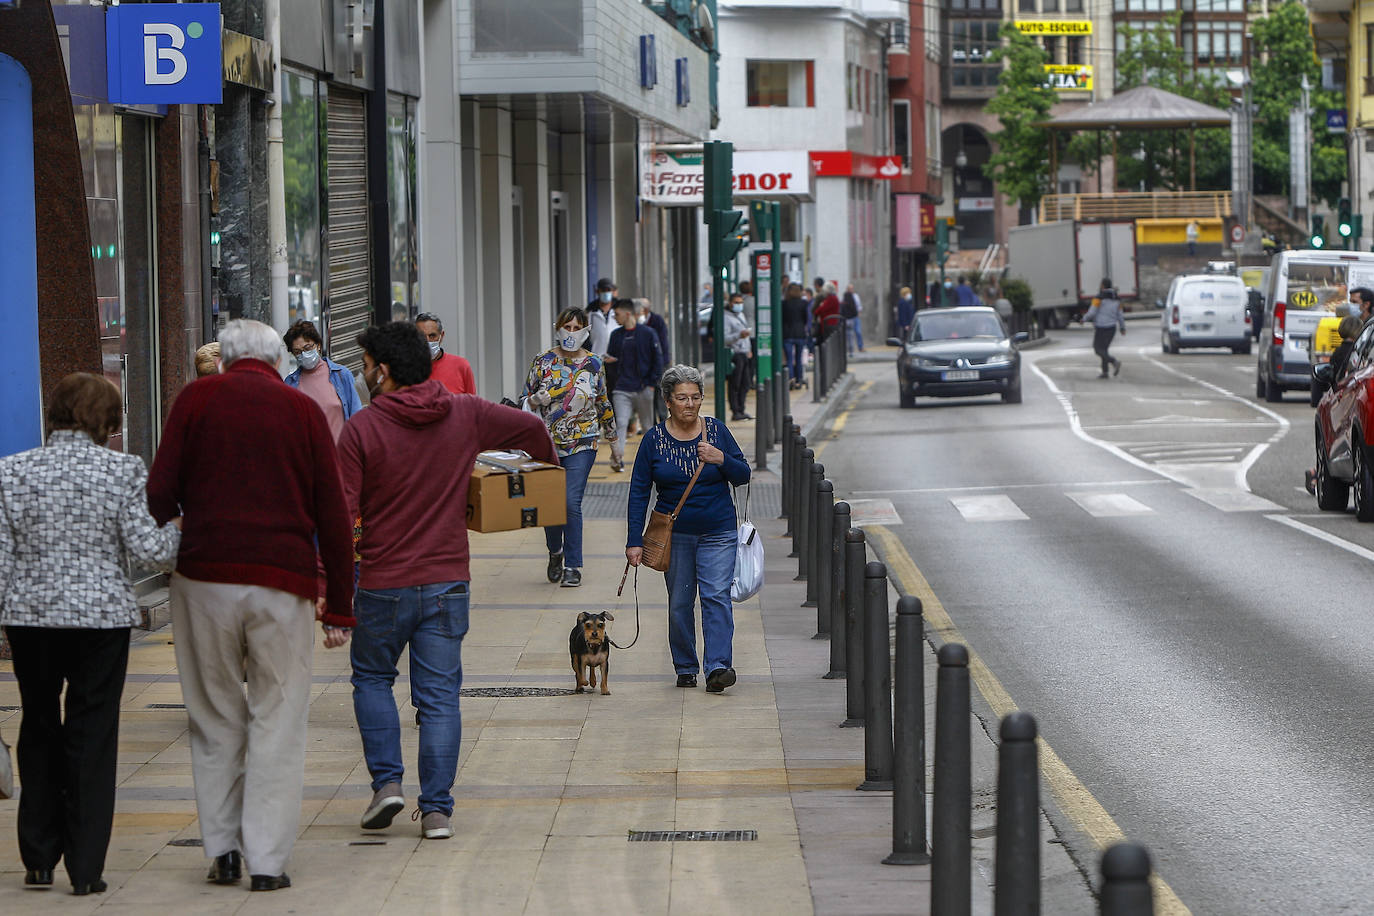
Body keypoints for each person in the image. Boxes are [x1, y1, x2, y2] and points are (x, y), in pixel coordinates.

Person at [147, 319, 357, 893]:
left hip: (203, 576)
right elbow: (334, 515)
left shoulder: (195, 399)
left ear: (228, 356)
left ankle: (223, 852)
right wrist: (339, 604)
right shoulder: (302, 411)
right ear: (275, 358)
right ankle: (266, 861)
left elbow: (159, 494)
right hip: (282, 582)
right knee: (279, 717)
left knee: (214, 716)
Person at [336, 322, 558, 841]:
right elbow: (532, 433)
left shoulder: (362, 429)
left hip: (382, 582)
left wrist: (328, 583)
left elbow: (341, 512)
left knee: (372, 679)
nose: (363, 372)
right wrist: (521, 483)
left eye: (365, 364)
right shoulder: (465, 412)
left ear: (383, 371)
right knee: (438, 697)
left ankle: (387, 784)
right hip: (446, 581)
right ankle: (436, 811)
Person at [1, 374, 181, 896]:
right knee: (92, 732)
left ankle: (36, 856)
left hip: (31, 619)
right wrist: (180, 530)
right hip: (100, 619)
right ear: (109, 420)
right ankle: (85, 868)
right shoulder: (122, 470)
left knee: (38, 724)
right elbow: (149, 551)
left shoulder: (11, 471)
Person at [625, 365, 751, 693]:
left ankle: (718, 667)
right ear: (668, 401)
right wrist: (633, 541)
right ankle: (685, 665)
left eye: (696, 397)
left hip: (719, 531)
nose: (690, 404)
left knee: (716, 597)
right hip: (675, 536)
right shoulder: (653, 440)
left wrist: (721, 458)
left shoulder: (716, 431)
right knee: (680, 602)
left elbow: (743, 475)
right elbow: (639, 491)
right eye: (682, 398)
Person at [525, 308, 618, 586]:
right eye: (567, 326)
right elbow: (524, 400)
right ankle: (556, 552)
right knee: (550, 504)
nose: (572, 332)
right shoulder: (542, 361)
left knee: (569, 502)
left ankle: (573, 566)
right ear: (558, 328)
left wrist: (614, 442)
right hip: (546, 444)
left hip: (584, 442)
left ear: (586, 331)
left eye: (578, 327)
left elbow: (602, 401)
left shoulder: (594, 363)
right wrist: (535, 401)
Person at [283, 319, 365, 441]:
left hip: (340, 455)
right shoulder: (290, 383)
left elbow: (357, 418)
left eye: (307, 348)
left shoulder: (341, 375)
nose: (304, 354)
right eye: (297, 352)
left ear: (318, 345)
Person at [608, 299, 665, 465]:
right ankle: (617, 458)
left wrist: (651, 384)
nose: (615, 318)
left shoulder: (647, 333)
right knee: (621, 423)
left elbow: (658, 359)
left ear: (628, 314)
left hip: (643, 388)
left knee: (648, 426)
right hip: (621, 388)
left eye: (617, 314)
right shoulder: (616, 335)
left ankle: (655, 459)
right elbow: (612, 360)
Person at [415, 312, 477, 395]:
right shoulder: (405, 369)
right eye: (421, 336)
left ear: (441, 336)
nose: (427, 341)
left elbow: (472, 404)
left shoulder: (461, 366)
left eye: (432, 336)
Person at [1081, 278, 1126, 378]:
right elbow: (1120, 315)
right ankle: (1105, 372)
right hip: (1112, 328)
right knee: (1104, 350)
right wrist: (1122, 328)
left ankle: (1114, 362)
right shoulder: (1117, 299)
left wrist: (1083, 319)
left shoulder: (1098, 298)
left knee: (1097, 349)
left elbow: (1092, 312)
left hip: (1101, 328)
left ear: (1102, 286)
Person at [724, 292, 753, 420]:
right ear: (730, 303)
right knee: (735, 383)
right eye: (736, 302)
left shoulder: (741, 314)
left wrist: (749, 349)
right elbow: (725, 338)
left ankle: (741, 409)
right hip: (734, 354)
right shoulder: (726, 318)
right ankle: (735, 410)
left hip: (744, 353)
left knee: (746, 383)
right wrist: (738, 336)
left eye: (741, 302)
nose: (739, 305)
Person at [782, 283, 810, 388]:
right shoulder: (803, 303)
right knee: (798, 358)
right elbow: (806, 319)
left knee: (789, 358)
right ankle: (799, 380)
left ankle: (790, 379)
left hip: (787, 334)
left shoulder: (784, 304)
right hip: (799, 334)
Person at [588, 278, 617, 357]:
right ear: (597, 292)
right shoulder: (591, 313)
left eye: (608, 290)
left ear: (613, 292)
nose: (606, 293)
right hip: (597, 358)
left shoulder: (618, 310)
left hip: (616, 359)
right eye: (603, 290)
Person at [841, 283, 864, 355]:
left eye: (852, 288)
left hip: (855, 316)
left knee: (858, 331)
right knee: (849, 334)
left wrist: (858, 313)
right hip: (849, 317)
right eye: (849, 288)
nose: (851, 290)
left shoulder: (856, 296)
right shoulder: (845, 296)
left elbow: (859, 306)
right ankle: (850, 349)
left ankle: (860, 346)